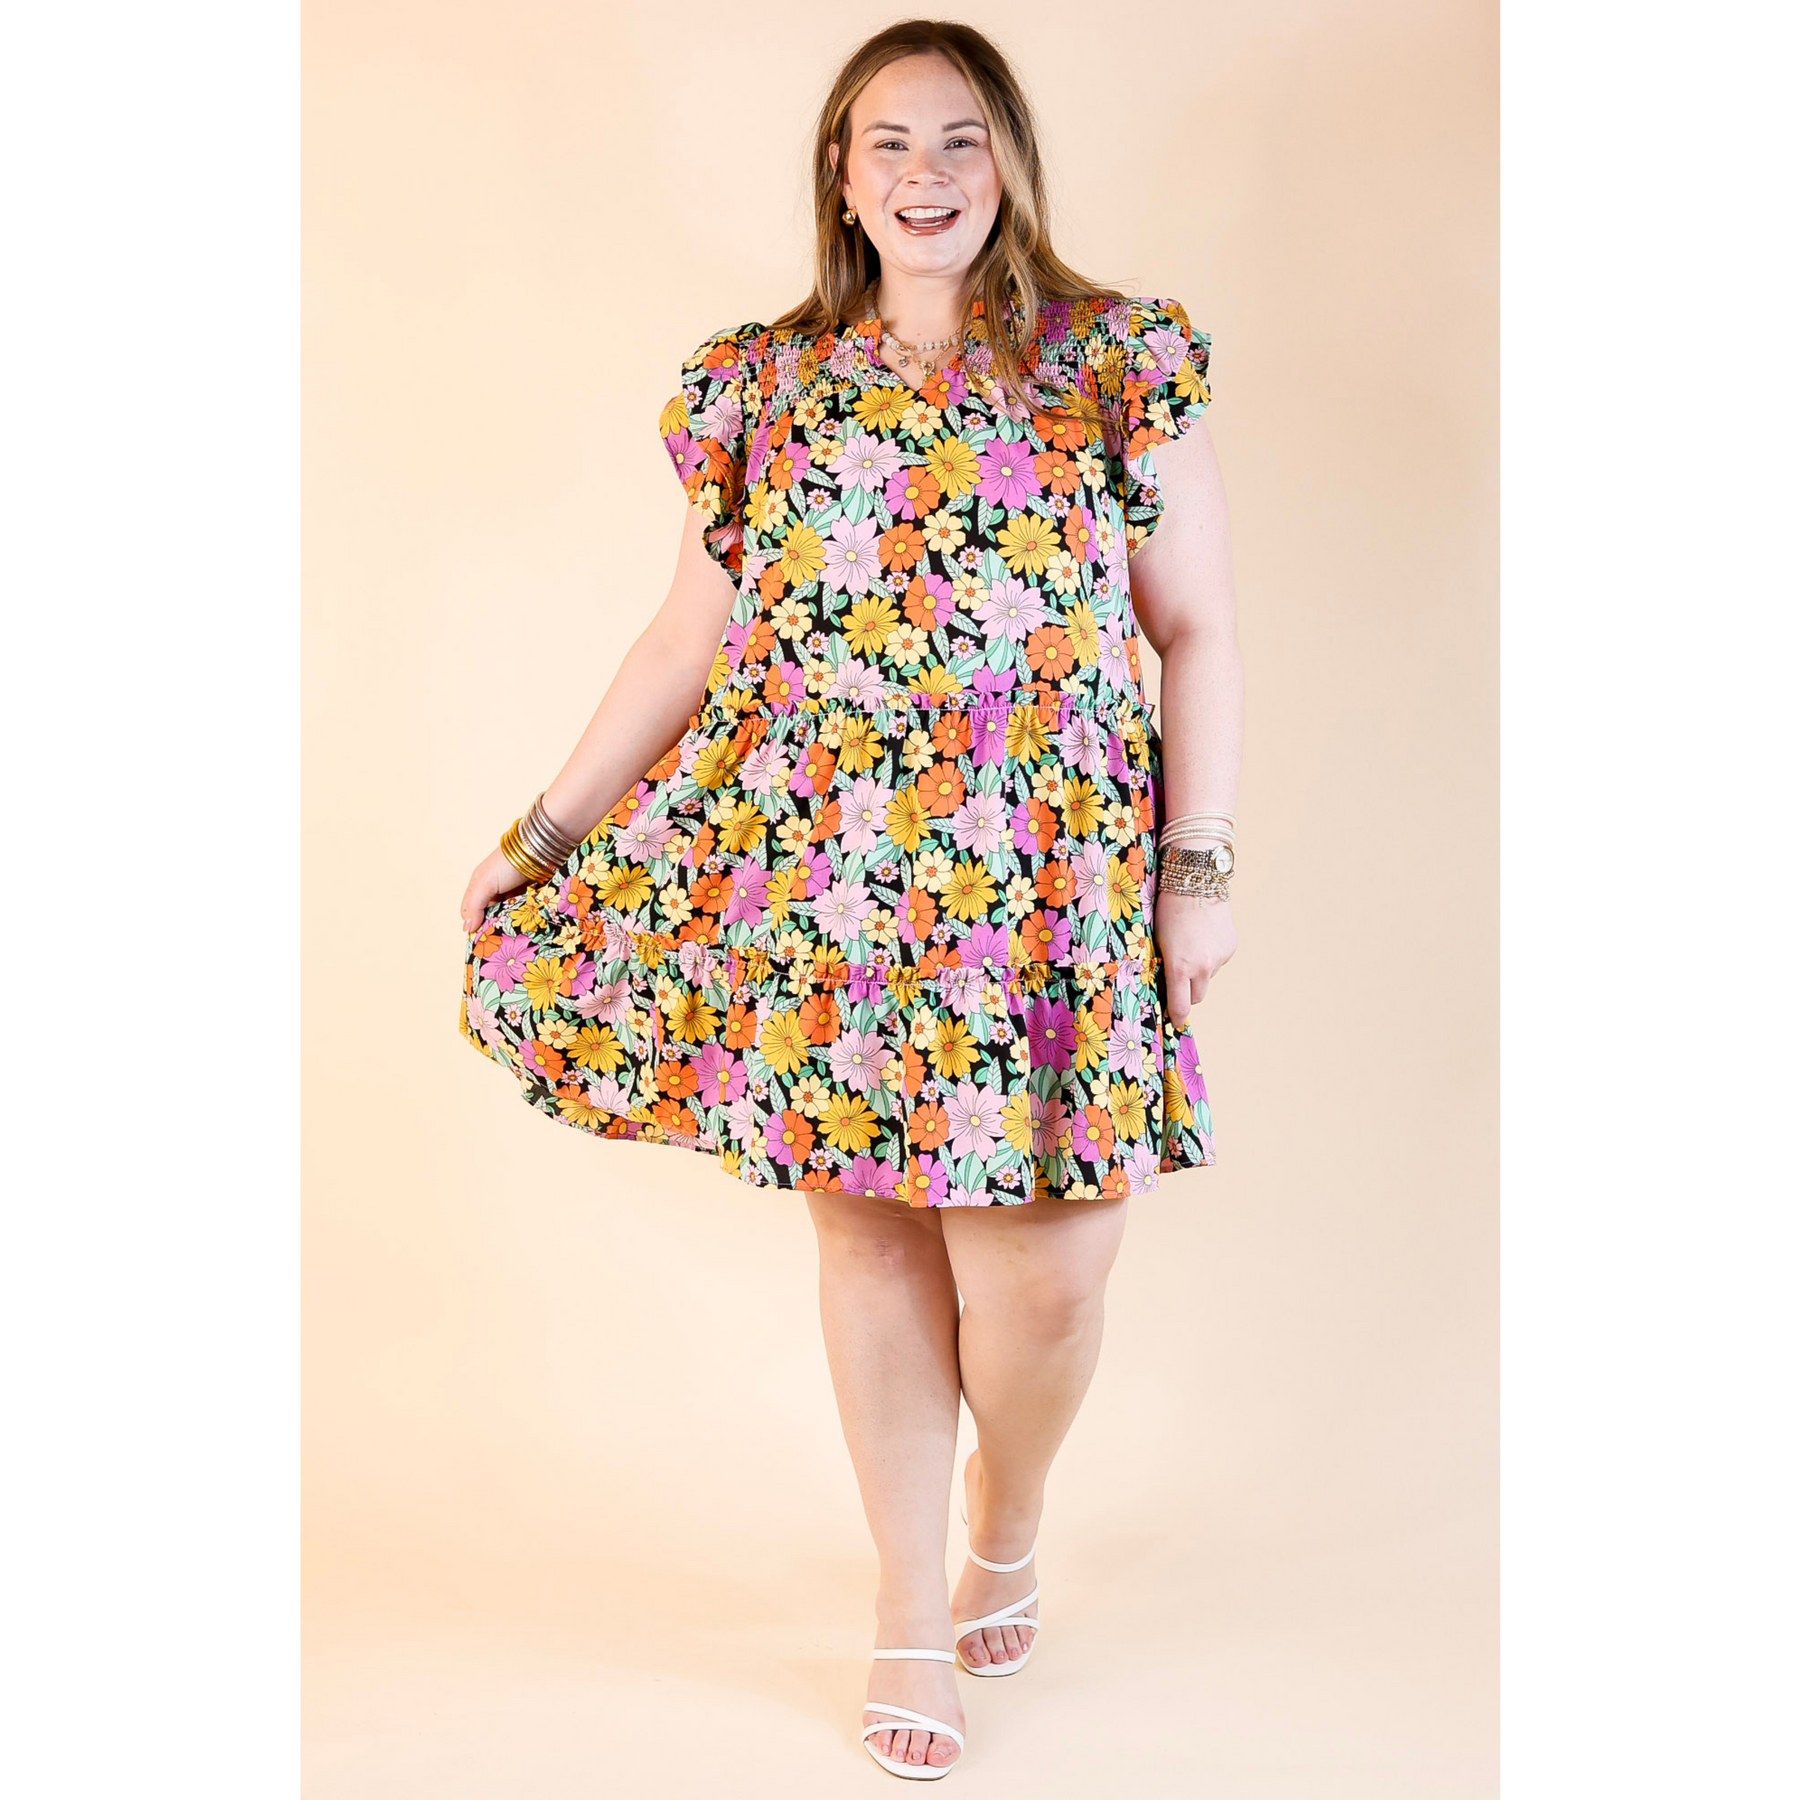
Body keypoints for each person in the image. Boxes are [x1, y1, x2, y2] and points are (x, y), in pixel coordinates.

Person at [457, 18, 1241, 1780]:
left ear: (1009, 160)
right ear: (841, 172)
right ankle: (906, 1605)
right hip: (830, 885)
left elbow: (1196, 627)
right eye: (890, 143)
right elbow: (688, 638)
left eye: (960, 140)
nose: (925, 176)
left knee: (1052, 1278)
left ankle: (1005, 1511)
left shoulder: (1115, 364)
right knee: (872, 1238)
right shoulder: (762, 388)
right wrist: (545, 833)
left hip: (1052, 888)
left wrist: (1197, 866)